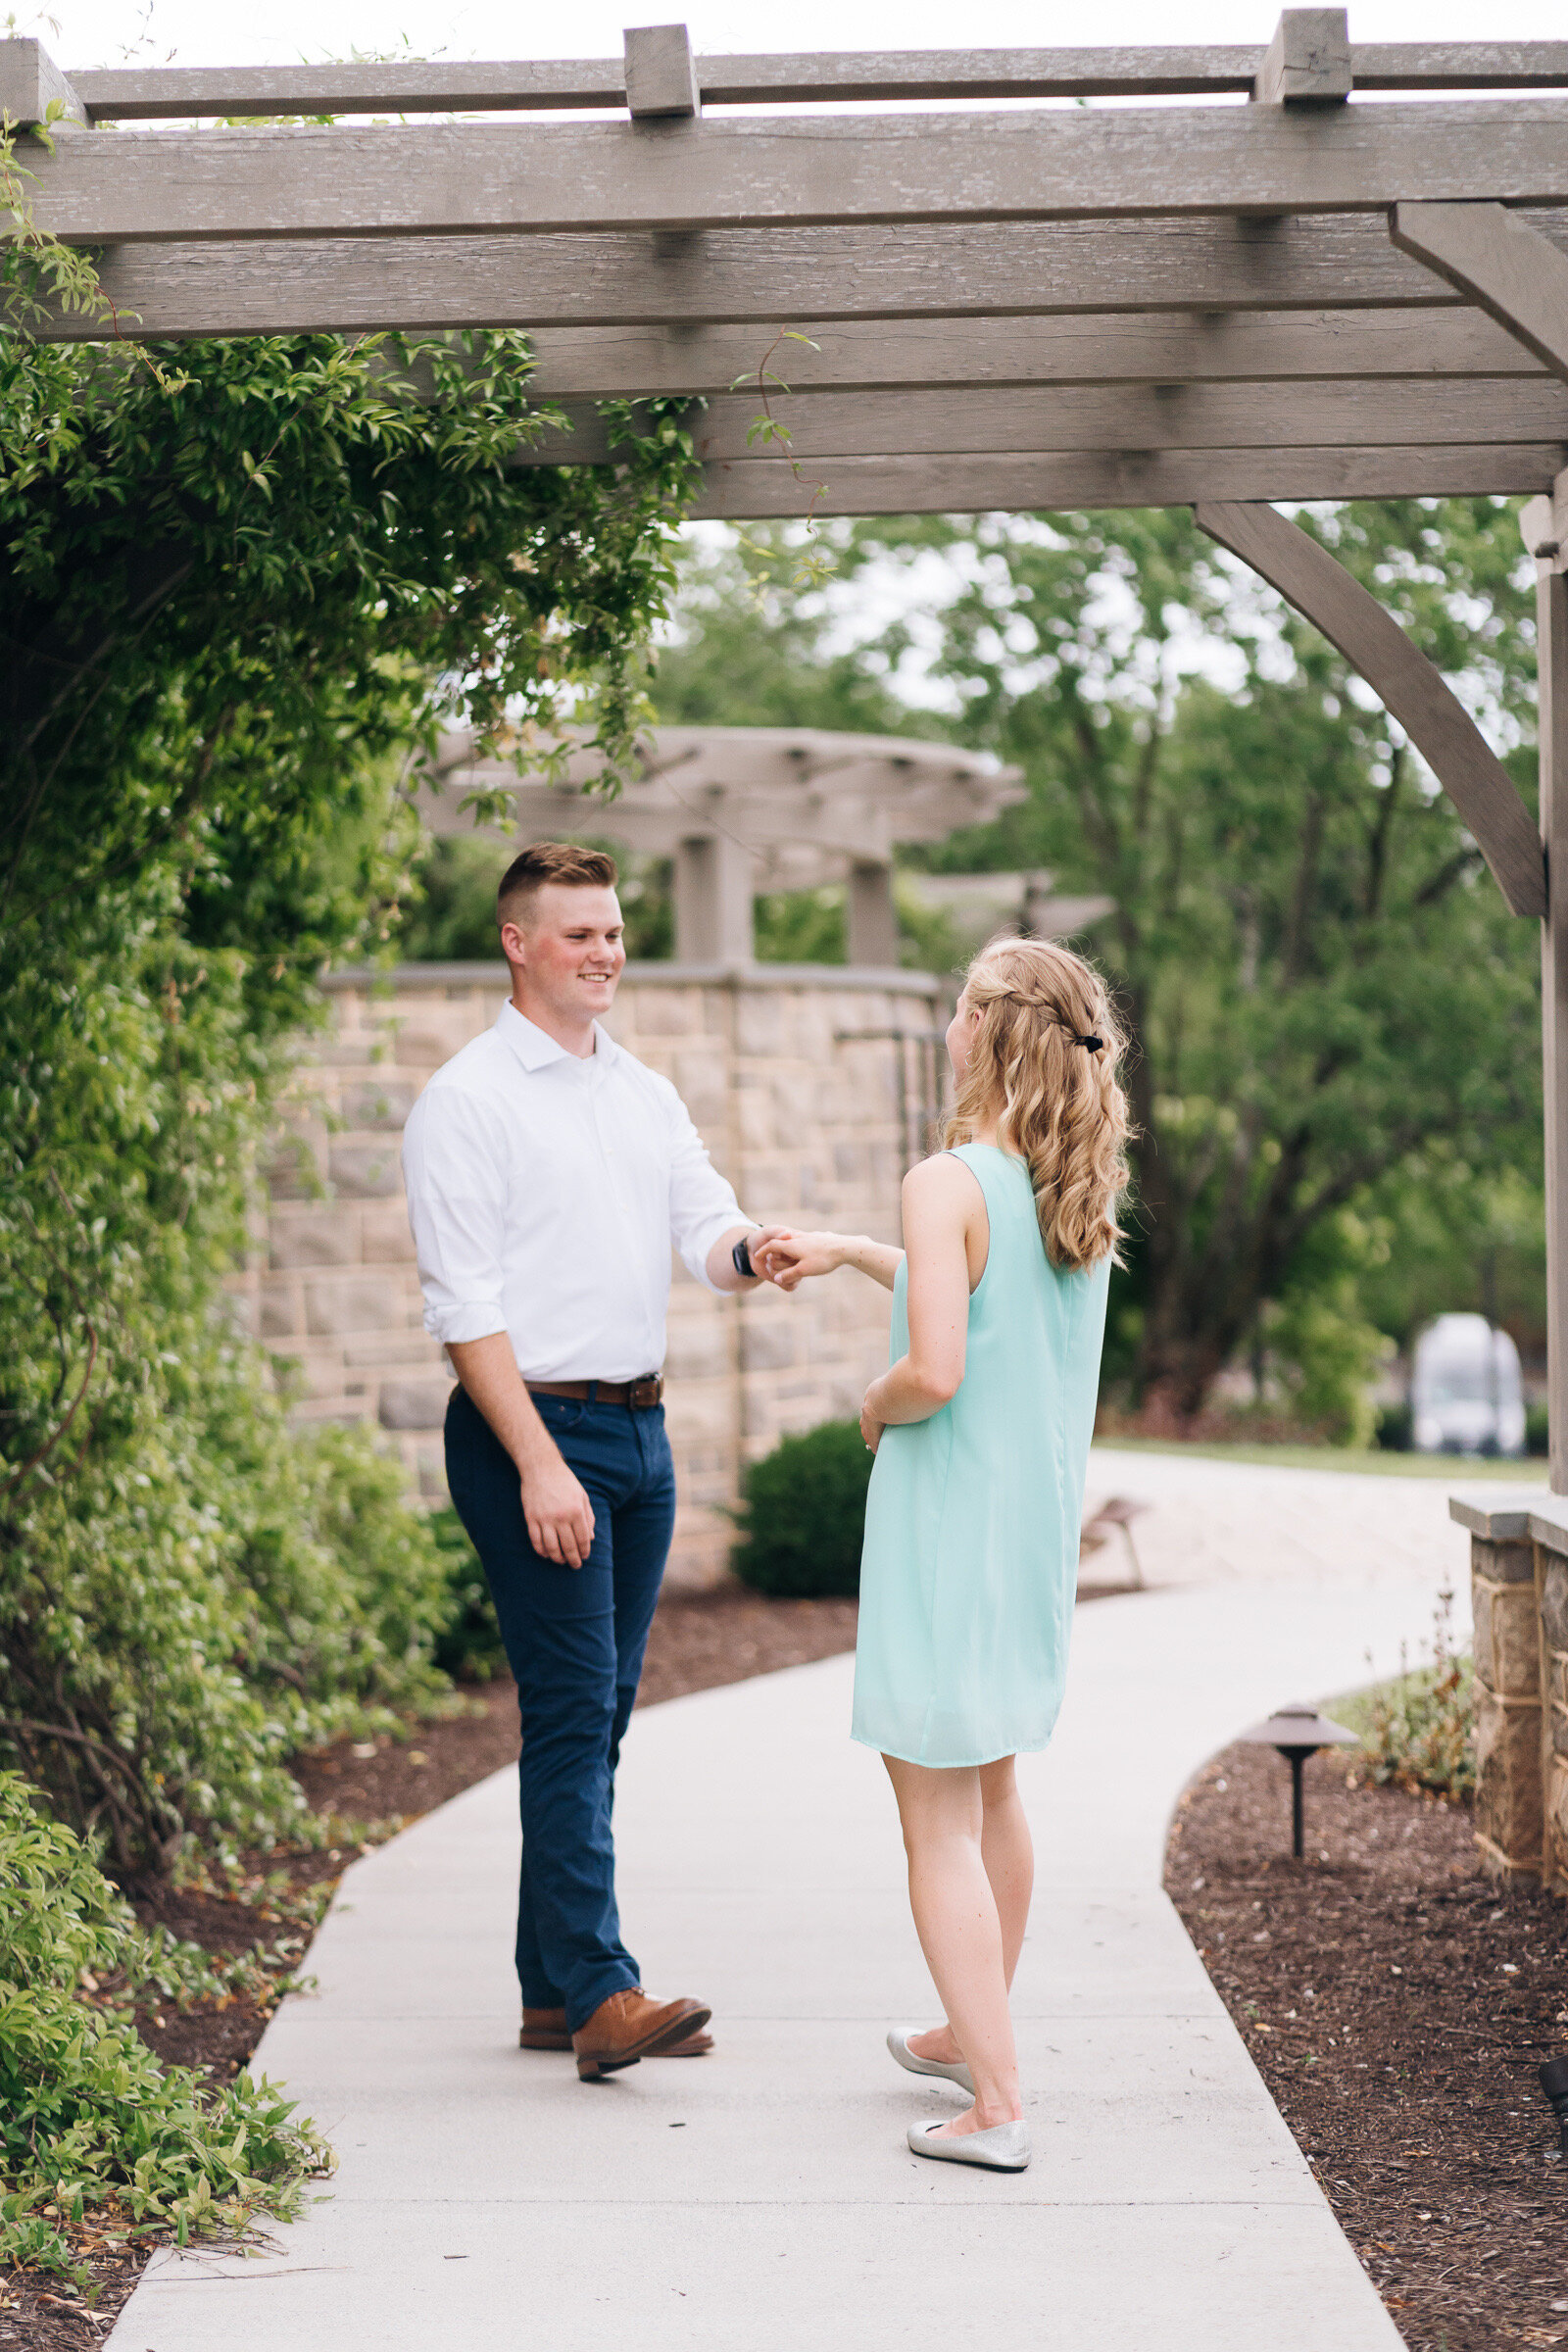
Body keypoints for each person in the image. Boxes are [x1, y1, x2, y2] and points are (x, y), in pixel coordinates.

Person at [402, 842, 790, 2083]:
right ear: (518, 943)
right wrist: (535, 1464)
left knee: (599, 1719)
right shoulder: (466, 1101)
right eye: (580, 935)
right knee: (573, 1709)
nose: (606, 953)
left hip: (640, 1434)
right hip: (536, 1436)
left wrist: (755, 1250)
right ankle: (603, 1991)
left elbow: (702, 1226)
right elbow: (465, 1311)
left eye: (615, 932)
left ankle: (544, 1988)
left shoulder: (642, 1091)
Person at [759, 937, 1128, 2172]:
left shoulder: (946, 1175)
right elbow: (979, 1288)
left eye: (961, 1003)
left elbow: (936, 1368)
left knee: (934, 1824)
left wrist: (871, 1404)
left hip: (944, 1529)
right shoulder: (1067, 1189)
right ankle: (972, 2035)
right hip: (1024, 1538)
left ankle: (997, 2102)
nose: (949, 1023)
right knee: (995, 1791)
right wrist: (855, 1251)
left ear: (983, 1026)